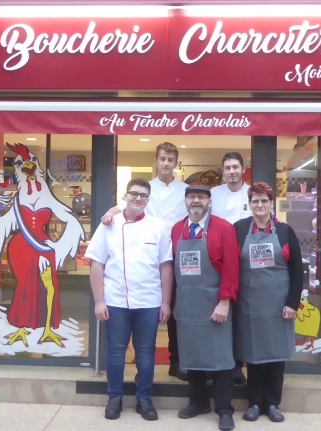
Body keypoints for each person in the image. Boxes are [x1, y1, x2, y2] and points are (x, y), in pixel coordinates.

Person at [86, 178, 174, 421]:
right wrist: (99, 301)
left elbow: (166, 266)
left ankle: (144, 398)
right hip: (115, 300)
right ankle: (114, 397)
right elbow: (96, 263)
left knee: (146, 353)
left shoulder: (158, 227)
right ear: (125, 196)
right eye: (134, 194)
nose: (138, 198)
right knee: (115, 352)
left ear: (148, 200)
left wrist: (165, 302)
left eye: (143, 195)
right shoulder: (109, 224)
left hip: (148, 301)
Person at [101, 142, 189, 381]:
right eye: (162, 159)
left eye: (170, 160)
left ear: (176, 163)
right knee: (152, 311)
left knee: (174, 306)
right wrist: (108, 215)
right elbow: (119, 208)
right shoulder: (145, 189)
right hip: (146, 250)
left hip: (178, 251)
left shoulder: (185, 189)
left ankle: (177, 360)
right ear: (156, 161)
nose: (166, 164)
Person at [233, 182, 303, 423]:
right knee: (252, 357)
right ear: (249, 204)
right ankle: (253, 403)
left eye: (264, 201)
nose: (260, 205)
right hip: (249, 305)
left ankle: (272, 403)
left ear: (271, 203)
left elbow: (297, 270)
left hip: (278, 305)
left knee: (275, 356)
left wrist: (292, 302)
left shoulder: (285, 231)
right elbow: (231, 266)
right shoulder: (240, 229)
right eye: (255, 201)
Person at [172, 185, 240, 431]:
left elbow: (232, 267)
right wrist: (172, 304)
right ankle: (198, 402)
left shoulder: (223, 228)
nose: (196, 201)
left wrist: (224, 301)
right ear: (185, 201)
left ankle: (224, 409)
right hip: (187, 304)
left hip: (215, 304)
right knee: (192, 355)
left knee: (221, 358)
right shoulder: (177, 229)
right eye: (191, 197)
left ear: (209, 202)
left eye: (201, 197)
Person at [210, 151, 252, 384]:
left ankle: (237, 365)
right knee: (220, 315)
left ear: (243, 169)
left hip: (247, 261)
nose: (232, 171)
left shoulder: (254, 194)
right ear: (222, 171)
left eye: (236, 167)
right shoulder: (213, 194)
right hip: (219, 263)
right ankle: (215, 364)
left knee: (241, 316)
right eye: (227, 168)